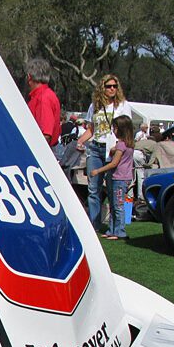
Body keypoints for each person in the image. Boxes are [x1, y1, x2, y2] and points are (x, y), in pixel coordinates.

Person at [75, 73, 132, 230]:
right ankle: (95, 225)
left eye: (115, 86)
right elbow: (91, 130)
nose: (112, 89)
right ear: (103, 88)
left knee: (113, 188)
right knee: (93, 189)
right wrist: (80, 141)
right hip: (95, 147)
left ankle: (115, 227)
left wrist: (122, 147)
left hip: (113, 150)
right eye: (109, 86)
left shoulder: (123, 105)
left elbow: (127, 129)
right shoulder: (95, 105)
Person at [90, 115, 134, 241]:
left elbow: (114, 163)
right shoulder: (128, 144)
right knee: (114, 204)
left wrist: (98, 170)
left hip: (119, 178)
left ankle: (120, 231)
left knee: (117, 205)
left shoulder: (121, 145)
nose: (113, 130)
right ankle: (112, 230)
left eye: (115, 128)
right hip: (122, 177)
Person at [25, 58, 60, 149]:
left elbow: (46, 134)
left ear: (29, 77)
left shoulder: (43, 98)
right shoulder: (46, 94)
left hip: (42, 151)